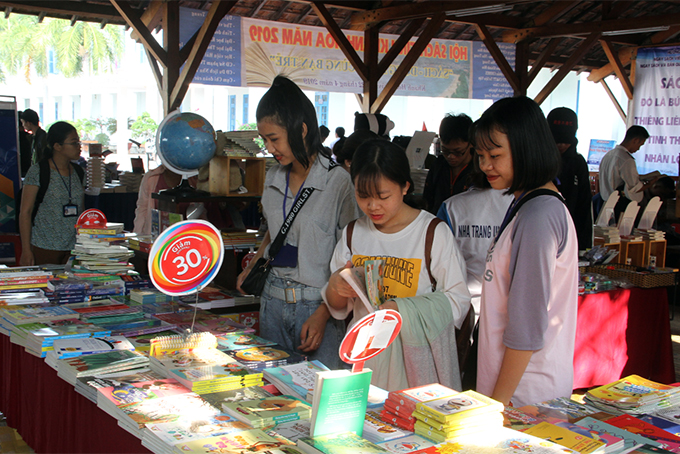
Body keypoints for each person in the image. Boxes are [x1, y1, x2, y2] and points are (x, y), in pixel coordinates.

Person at [323, 139, 471, 391]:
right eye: (363, 195)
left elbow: (458, 302)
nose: (372, 206)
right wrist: (336, 287)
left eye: (383, 196)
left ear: (405, 187)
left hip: (417, 366)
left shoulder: (432, 232)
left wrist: (399, 310)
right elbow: (339, 309)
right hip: (367, 364)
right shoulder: (352, 234)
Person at [236, 76, 361, 369]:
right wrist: (254, 265)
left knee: (319, 396)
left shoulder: (337, 182)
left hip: (317, 305)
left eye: (274, 138)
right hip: (272, 302)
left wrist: (323, 313)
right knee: (273, 394)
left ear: (301, 130)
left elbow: (351, 259)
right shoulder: (273, 177)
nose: (269, 147)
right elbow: (273, 232)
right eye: (263, 139)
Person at [472, 96, 578, 407]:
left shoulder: (538, 216)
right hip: (514, 384)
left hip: (524, 393)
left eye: (494, 155)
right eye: (480, 155)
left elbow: (526, 326)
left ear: (526, 148)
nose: (485, 165)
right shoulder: (528, 205)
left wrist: (498, 403)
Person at [437, 169, 513, 319]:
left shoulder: (452, 206)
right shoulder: (523, 205)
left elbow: (439, 266)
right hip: (509, 309)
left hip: (463, 310)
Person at [19, 121, 84, 265]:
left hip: (73, 249)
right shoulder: (39, 171)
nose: (79, 147)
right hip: (44, 246)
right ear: (57, 146)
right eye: (74, 143)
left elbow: (81, 211)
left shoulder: (79, 172)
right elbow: (26, 212)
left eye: (78, 142)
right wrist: (26, 250)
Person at [547, 107, 593, 250]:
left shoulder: (578, 163)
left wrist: (584, 245)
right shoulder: (539, 161)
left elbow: (584, 205)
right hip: (544, 230)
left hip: (571, 234)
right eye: (557, 141)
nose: (561, 145)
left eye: (566, 141)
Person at [599, 125, 659, 221]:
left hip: (604, 201)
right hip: (619, 204)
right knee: (621, 233)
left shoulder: (609, 155)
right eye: (640, 145)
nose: (638, 149)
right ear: (635, 140)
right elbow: (634, 187)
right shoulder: (626, 159)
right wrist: (649, 184)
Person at [423, 113, 474, 214]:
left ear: (471, 143)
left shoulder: (479, 170)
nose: (451, 156)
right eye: (445, 151)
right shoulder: (438, 165)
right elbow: (428, 200)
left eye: (458, 152)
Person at [133, 164, 197, 235]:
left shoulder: (194, 179)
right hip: (156, 238)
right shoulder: (151, 178)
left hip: (186, 237)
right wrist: (137, 237)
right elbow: (142, 209)